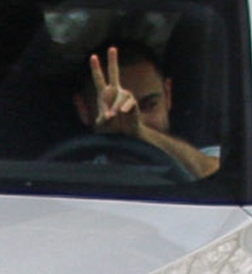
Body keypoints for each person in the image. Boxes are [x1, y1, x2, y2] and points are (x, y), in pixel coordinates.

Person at [75, 41, 220, 178]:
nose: (134, 117)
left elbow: (217, 178)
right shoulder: (69, 174)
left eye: (149, 105)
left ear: (168, 95)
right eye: (115, 107)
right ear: (84, 110)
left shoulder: (203, 158)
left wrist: (140, 131)